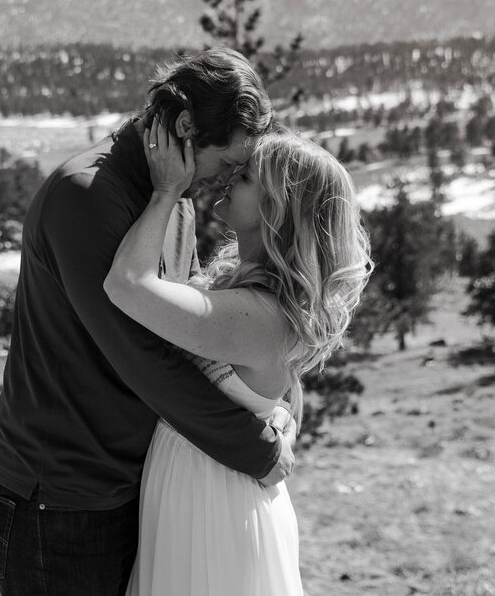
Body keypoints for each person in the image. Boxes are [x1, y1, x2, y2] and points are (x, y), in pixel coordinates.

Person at [0, 48, 297, 596]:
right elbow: (143, 359)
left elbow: (192, 336)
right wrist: (256, 448)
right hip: (58, 494)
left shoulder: (169, 197)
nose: (223, 182)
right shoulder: (86, 197)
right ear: (184, 127)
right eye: (225, 163)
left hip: (121, 483)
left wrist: (277, 403)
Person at [105, 123, 372, 595]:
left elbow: (126, 284)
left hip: (214, 506)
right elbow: (279, 392)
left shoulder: (258, 315)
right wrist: (282, 416)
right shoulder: (258, 299)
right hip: (205, 489)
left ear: (278, 208)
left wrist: (168, 190)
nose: (229, 178)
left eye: (246, 177)